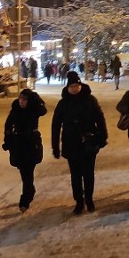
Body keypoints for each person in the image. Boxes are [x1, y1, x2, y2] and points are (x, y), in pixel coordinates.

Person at [51, 71, 108, 214]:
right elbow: (56, 125)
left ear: (80, 85)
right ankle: (79, 202)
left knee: (88, 173)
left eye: (77, 85)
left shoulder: (90, 100)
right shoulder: (63, 103)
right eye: (72, 86)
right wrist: (55, 147)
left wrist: (102, 137)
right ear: (67, 87)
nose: (75, 88)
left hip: (89, 142)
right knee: (75, 175)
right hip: (71, 143)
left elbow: (100, 118)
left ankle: (89, 199)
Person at [3, 89, 47, 212]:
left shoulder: (34, 110)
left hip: (31, 143)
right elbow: (8, 125)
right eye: (20, 99)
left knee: (28, 171)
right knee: (24, 172)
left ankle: (25, 199)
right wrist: (8, 140)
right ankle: (30, 190)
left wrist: (35, 97)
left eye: (24, 100)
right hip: (18, 144)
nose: (21, 102)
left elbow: (43, 110)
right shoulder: (15, 109)